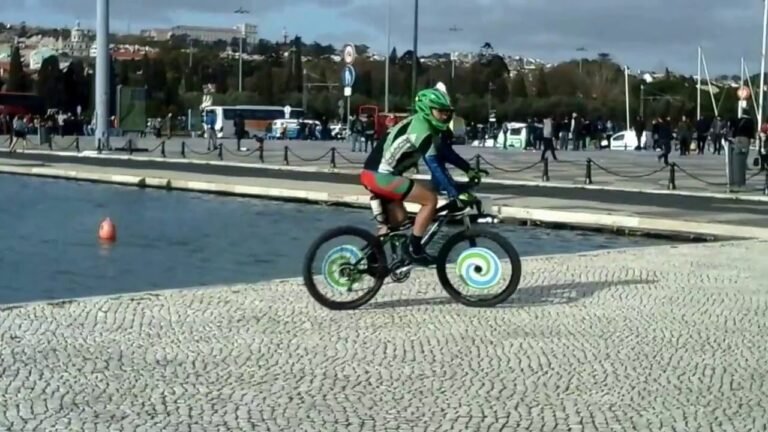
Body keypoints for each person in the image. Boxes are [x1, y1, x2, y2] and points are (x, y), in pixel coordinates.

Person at [360, 88, 483, 266]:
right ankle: (415, 250)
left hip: (375, 175)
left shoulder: (426, 125)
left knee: (397, 223)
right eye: (440, 111)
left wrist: (468, 169)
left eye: (447, 112)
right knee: (430, 200)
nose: (444, 116)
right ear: (427, 109)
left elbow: (445, 152)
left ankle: (372, 262)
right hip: (380, 176)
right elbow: (433, 163)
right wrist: (454, 193)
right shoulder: (420, 128)